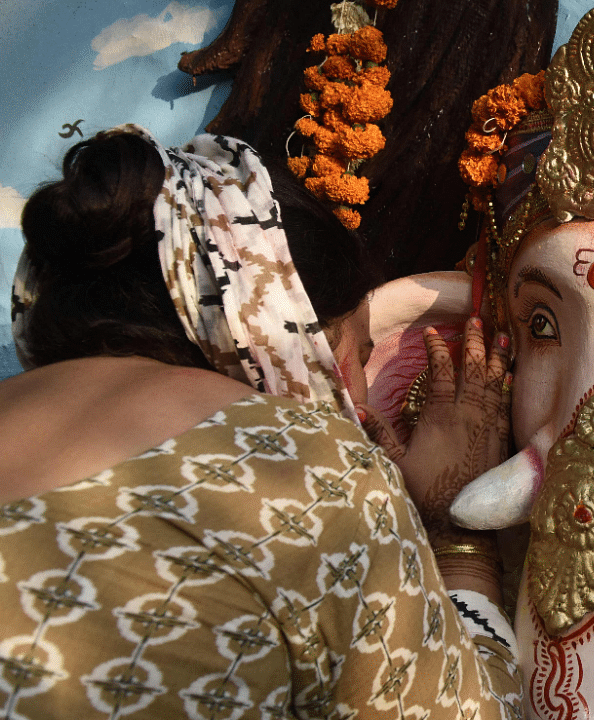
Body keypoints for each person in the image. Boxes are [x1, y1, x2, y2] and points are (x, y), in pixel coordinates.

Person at [0, 126, 521, 718]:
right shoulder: (309, 466)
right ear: (280, 332)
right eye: (355, 352)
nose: (363, 400)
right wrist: (458, 537)